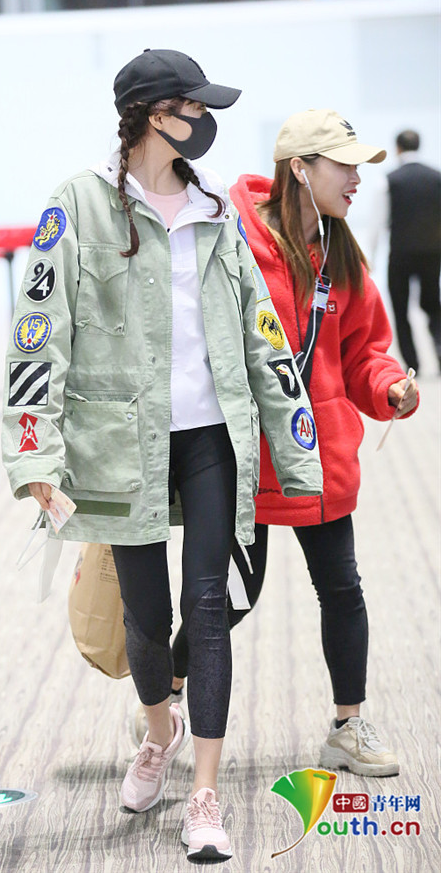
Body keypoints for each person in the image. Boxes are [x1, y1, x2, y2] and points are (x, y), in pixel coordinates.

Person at [2, 50, 322, 861]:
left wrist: (296, 445)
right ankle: (158, 731)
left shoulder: (215, 210)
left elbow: (263, 330)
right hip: (121, 442)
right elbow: (38, 330)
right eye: (194, 107)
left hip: (211, 434)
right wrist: (35, 450)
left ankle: (204, 795)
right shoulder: (78, 204)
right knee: (147, 621)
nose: (205, 121)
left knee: (207, 606)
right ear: (154, 114)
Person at [166, 108, 419, 778]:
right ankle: (165, 693)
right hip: (245, 454)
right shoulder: (235, 240)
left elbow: (364, 351)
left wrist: (389, 385)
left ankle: (347, 725)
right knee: (229, 596)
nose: (357, 179)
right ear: (300, 170)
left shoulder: (342, 255)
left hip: (319, 454)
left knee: (342, 587)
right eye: (344, 166)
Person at [371, 129, 441, 375]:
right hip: (433, 251)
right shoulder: (436, 177)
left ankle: (413, 364)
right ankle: (440, 351)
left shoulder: (390, 179)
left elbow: (378, 221)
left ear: (398, 148)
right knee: (433, 304)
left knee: (400, 309)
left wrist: (371, 257)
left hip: (401, 253)